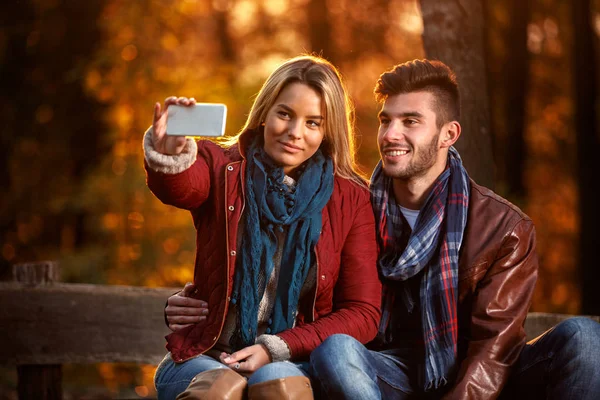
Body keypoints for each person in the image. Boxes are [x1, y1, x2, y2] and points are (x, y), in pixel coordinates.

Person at [309, 59, 600, 399]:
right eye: (385, 120)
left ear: (449, 134)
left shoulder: (504, 227)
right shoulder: (352, 206)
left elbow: (495, 348)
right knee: (336, 350)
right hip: (392, 372)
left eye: (410, 121)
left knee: (584, 337)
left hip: (483, 377)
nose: (390, 135)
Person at [143, 55, 382, 400]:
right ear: (265, 112)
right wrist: (169, 153)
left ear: (328, 131)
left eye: (313, 123)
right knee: (221, 390)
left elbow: (363, 311)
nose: (294, 132)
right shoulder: (222, 167)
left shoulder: (351, 199)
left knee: (279, 386)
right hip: (207, 357)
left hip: (290, 359)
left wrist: (277, 347)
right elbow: (180, 185)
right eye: (284, 114)